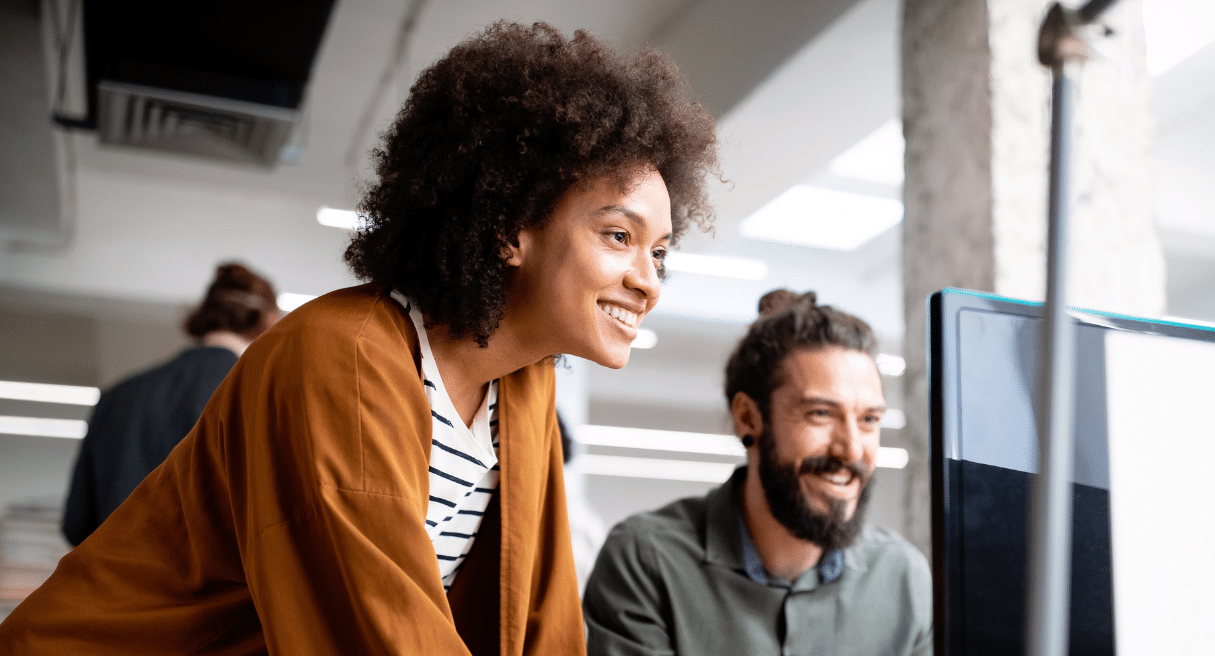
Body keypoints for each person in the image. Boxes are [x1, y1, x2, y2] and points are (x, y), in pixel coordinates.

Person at [0, 21, 717, 655]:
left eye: (658, 253)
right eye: (619, 236)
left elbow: (543, 626)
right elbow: (381, 630)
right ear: (508, 227)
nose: (648, 281)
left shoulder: (524, 389)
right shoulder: (342, 359)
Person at [583, 290, 933, 655]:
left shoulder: (903, 577)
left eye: (869, 420)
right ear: (748, 418)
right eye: (820, 414)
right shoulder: (647, 561)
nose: (850, 449)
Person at [61, 262, 280, 546]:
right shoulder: (257, 398)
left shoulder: (119, 396)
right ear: (269, 319)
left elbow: (76, 525)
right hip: (205, 588)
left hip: (111, 582)